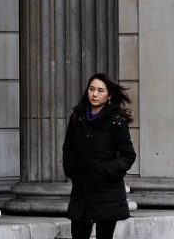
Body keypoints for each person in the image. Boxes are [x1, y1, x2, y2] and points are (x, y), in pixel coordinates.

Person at [62, 72, 137, 239]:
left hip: (107, 194)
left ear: (109, 95)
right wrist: (71, 169)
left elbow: (128, 155)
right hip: (81, 193)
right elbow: (68, 148)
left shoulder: (116, 121)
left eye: (100, 90)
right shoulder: (77, 117)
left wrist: (106, 170)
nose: (94, 94)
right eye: (92, 89)